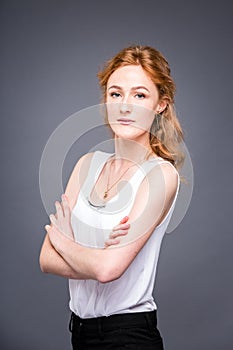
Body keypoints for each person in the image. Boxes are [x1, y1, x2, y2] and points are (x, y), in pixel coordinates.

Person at [39, 45, 185, 349]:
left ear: (161, 104)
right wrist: (94, 256)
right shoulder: (86, 165)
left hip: (127, 336)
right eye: (116, 94)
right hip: (79, 333)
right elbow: (45, 259)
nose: (125, 106)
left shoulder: (159, 175)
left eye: (140, 95)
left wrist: (65, 241)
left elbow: (108, 270)